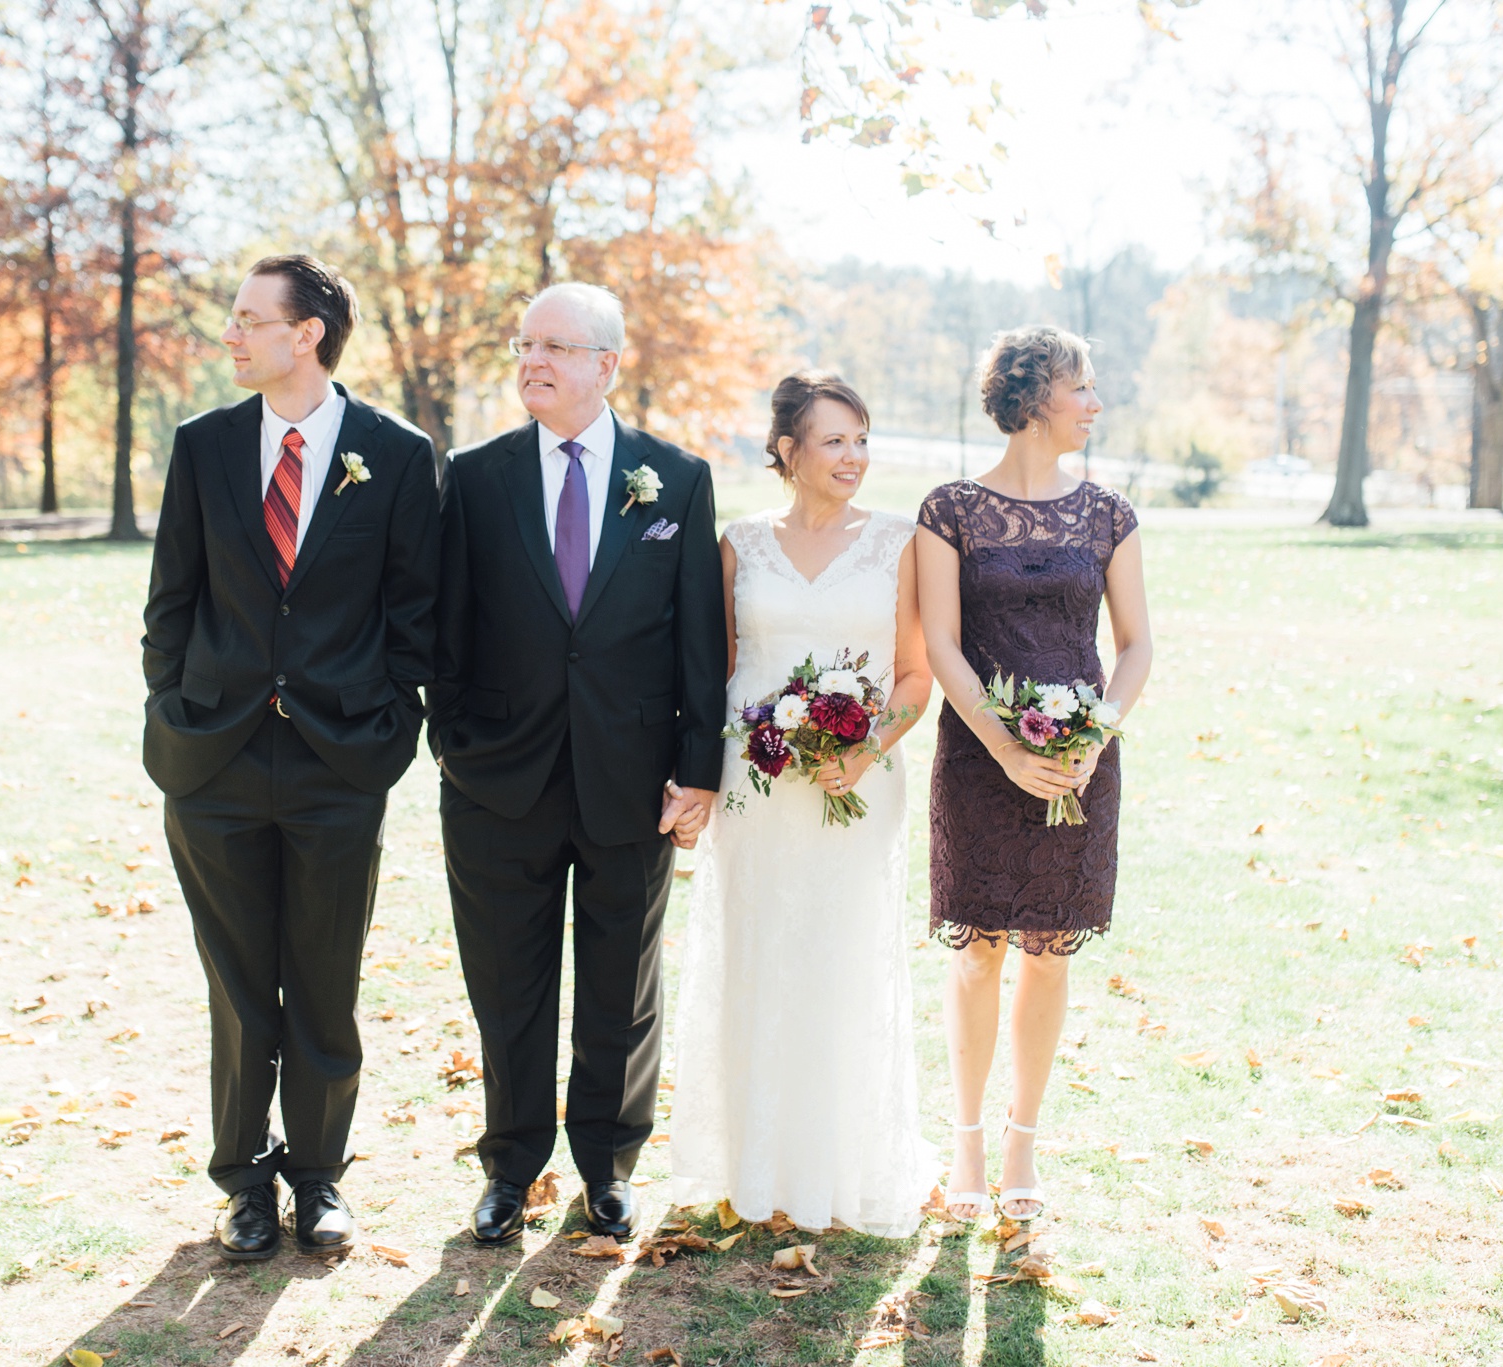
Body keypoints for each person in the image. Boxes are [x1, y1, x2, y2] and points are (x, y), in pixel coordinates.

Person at [140, 254, 440, 1260]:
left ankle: (317, 1180)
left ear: (305, 333)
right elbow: (168, 604)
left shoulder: (394, 454)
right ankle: (242, 1183)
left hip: (337, 764)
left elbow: (414, 616)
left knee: (323, 978)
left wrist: (383, 734)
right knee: (236, 984)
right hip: (214, 762)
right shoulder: (203, 446)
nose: (229, 334)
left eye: (246, 318)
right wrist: (178, 709)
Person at [431, 282, 727, 1245]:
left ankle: (607, 1163)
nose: (533, 361)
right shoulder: (472, 478)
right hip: (497, 783)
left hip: (633, 785)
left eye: (555, 345)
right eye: (523, 343)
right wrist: (459, 747)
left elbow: (698, 640)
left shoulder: (673, 481)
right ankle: (510, 1167)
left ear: (607, 363)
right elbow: (447, 632)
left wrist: (699, 768)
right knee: (508, 984)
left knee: (619, 983)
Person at [668, 373, 937, 1237]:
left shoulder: (901, 541)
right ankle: (753, 1161)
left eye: (862, 439)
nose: (853, 457)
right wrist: (703, 770)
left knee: (840, 957)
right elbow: (716, 662)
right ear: (788, 450)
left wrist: (863, 749)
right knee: (755, 954)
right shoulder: (740, 541)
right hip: (754, 786)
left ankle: (839, 1166)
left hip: (854, 788)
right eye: (834, 441)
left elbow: (914, 675)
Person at [915, 325, 1152, 1224]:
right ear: (1034, 397)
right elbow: (941, 642)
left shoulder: (1109, 515)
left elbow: (1136, 646)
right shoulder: (951, 510)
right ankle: (966, 1142)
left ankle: (1023, 1142)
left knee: (1050, 958)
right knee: (977, 955)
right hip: (980, 763)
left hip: (1080, 766)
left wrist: (1095, 739)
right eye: (1082, 388)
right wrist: (1005, 746)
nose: (1094, 404)